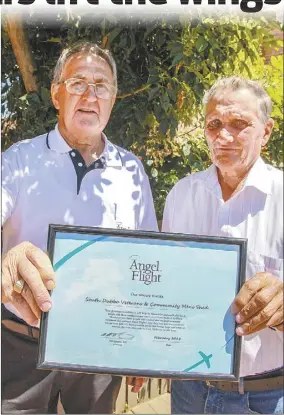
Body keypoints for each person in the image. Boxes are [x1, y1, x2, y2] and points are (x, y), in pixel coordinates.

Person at [1, 41, 158, 414]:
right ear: (57, 94)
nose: (90, 95)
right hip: (19, 345)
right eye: (77, 83)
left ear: (113, 99)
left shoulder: (132, 170)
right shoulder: (18, 160)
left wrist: (142, 342)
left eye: (101, 85)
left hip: (98, 348)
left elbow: (147, 260)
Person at [163, 76, 283, 414]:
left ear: (267, 131)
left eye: (239, 124)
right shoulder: (181, 196)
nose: (224, 136)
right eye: (214, 124)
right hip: (189, 391)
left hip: (268, 396)